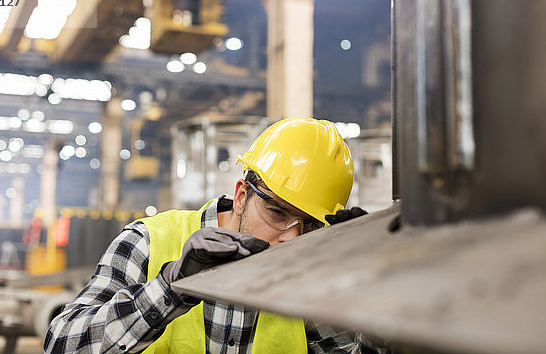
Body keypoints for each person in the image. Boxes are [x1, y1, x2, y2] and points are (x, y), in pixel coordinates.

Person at [44, 118, 389, 354]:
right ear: (242, 195)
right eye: (277, 213)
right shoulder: (148, 243)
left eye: (309, 225)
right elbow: (62, 344)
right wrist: (168, 289)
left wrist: (376, 299)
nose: (290, 238)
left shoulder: (313, 277)